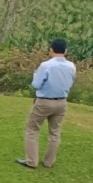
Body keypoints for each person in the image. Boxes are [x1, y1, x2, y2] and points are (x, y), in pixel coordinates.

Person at [17, 38, 77, 169]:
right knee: (55, 132)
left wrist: (35, 75)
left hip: (44, 101)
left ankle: (31, 161)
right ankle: (49, 162)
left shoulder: (46, 66)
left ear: (51, 50)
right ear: (65, 51)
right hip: (61, 102)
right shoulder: (71, 66)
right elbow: (71, 82)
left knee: (32, 129)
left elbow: (36, 85)